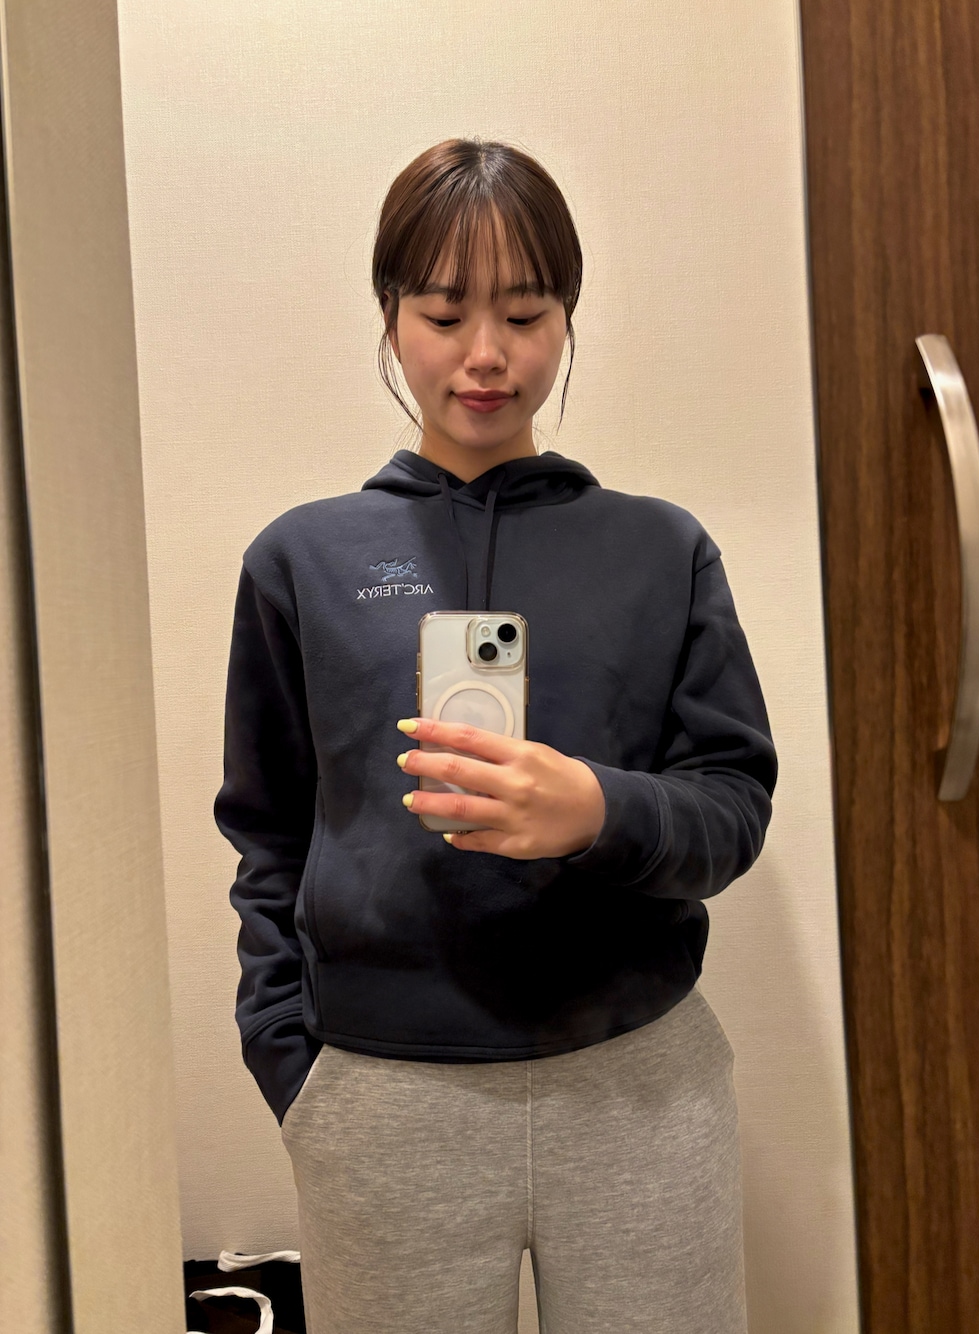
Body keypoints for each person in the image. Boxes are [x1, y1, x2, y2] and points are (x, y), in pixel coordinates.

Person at [214, 137, 778, 1334]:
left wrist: (598, 811)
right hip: (381, 1094)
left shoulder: (659, 548)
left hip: (639, 1084)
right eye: (442, 312)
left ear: (566, 316)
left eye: (524, 313)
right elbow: (267, 829)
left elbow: (732, 806)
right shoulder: (301, 558)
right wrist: (293, 1064)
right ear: (389, 315)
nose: (485, 353)